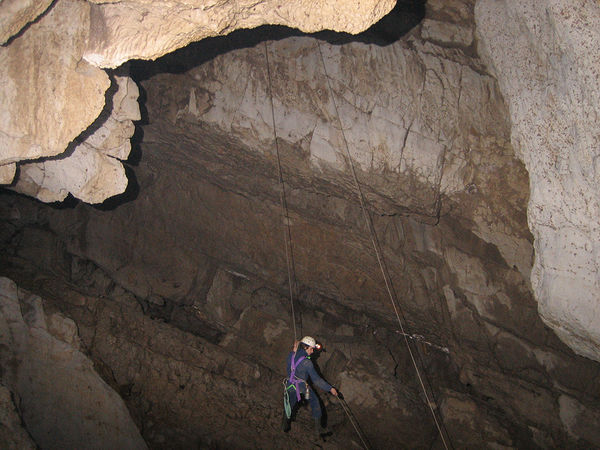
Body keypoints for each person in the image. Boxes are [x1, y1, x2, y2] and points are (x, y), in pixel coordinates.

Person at [282, 335, 338, 438]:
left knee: (289, 405)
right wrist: (330, 388)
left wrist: (294, 350)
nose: (312, 352)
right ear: (305, 347)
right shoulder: (307, 363)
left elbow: (290, 366)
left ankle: (284, 427)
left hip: (290, 384)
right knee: (315, 402)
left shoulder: (291, 355)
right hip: (301, 386)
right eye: (311, 349)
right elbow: (316, 380)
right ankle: (318, 430)